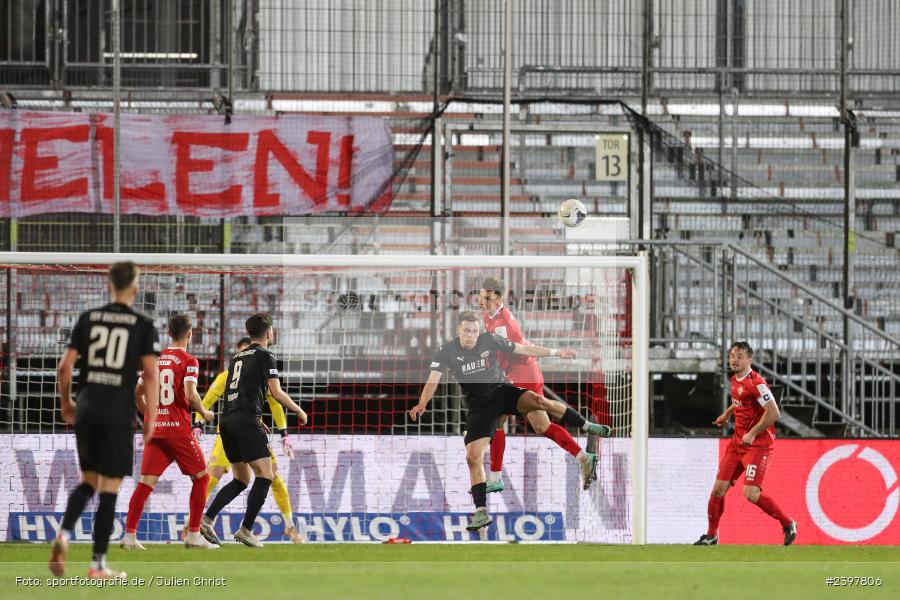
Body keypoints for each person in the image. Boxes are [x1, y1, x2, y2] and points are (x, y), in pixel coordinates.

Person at [409, 311, 612, 531]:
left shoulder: (489, 339)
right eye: (467, 331)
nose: (471, 335)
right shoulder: (446, 352)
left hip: (502, 392)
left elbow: (523, 349)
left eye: (475, 331)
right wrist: (422, 403)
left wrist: (555, 352)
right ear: (458, 330)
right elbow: (432, 381)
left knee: (538, 401)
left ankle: (587, 426)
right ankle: (481, 511)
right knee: (472, 457)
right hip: (479, 408)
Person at [50, 261, 160, 579]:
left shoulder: (88, 318)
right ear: (135, 289)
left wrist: (67, 403)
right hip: (117, 411)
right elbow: (151, 373)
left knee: (88, 481)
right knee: (109, 487)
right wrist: (150, 417)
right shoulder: (142, 324)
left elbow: (64, 368)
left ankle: (64, 534)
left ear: (108, 285)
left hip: (87, 407)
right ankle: (97, 565)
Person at [200, 313, 307, 548]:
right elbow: (276, 393)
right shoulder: (266, 355)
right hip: (247, 422)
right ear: (269, 333)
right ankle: (246, 529)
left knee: (241, 479)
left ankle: (207, 519)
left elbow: (234, 393)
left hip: (227, 422)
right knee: (266, 474)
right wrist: (299, 410)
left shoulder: (236, 358)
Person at [479, 277, 594, 493]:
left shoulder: (506, 325)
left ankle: (495, 477)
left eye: (486, 298)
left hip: (521, 373)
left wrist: (554, 352)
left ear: (499, 299)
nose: (481, 301)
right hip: (522, 371)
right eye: (480, 296)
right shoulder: (489, 316)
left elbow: (516, 352)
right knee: (541, 425)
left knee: (496, 418)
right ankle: (583, 456)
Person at [120, 314, 218, 550]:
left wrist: (149, 414)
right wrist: (204, 412)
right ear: (191, 333)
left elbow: (137, 392)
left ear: (169, 334)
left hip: (157, 430)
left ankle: (129, 537)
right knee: (202, 478)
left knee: (145, 483)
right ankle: (194, 535)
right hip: (178, 430)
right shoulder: (189, 360)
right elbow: (190, 393)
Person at [694, 341, 797, 546]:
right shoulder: (735, 379)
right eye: (732, 355)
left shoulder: (757, 383)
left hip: (758, 445)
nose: (734, 359)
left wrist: (751, 433)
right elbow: (740, 399)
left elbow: (774, 412)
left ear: (750, 360)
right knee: (717, 490)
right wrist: (726, 414)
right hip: (737, 444)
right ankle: (712, 535)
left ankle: (788, 523)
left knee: (751, 494)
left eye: (740, 356)